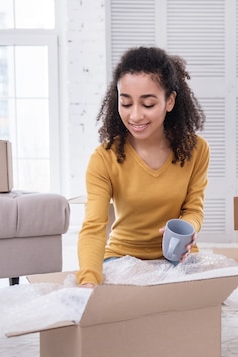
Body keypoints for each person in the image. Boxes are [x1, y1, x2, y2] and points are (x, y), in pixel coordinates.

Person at [76, 46, 209, 287]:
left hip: (179, 259)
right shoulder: (104, 158)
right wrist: (88, 281)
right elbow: (94, 227)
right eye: (126, 104)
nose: (135, 116)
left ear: (169, 101)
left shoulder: (196, 150)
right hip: (122, 259)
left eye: (147, 104)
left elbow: (193, 208)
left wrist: (188, 229)